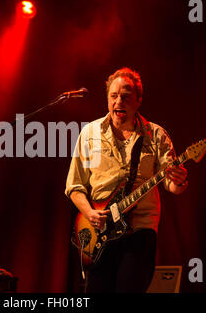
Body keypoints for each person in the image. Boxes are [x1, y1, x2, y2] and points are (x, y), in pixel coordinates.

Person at [65, 67, 188, 293]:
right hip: (99, 230)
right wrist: (90, 213)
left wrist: (178, 181)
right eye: (113, 96)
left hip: (140, 230)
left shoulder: (156, 135)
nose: (118, 101)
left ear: (138, 101)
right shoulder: (89, 134)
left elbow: (170, 183)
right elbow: (74, 186)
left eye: (126, 96)